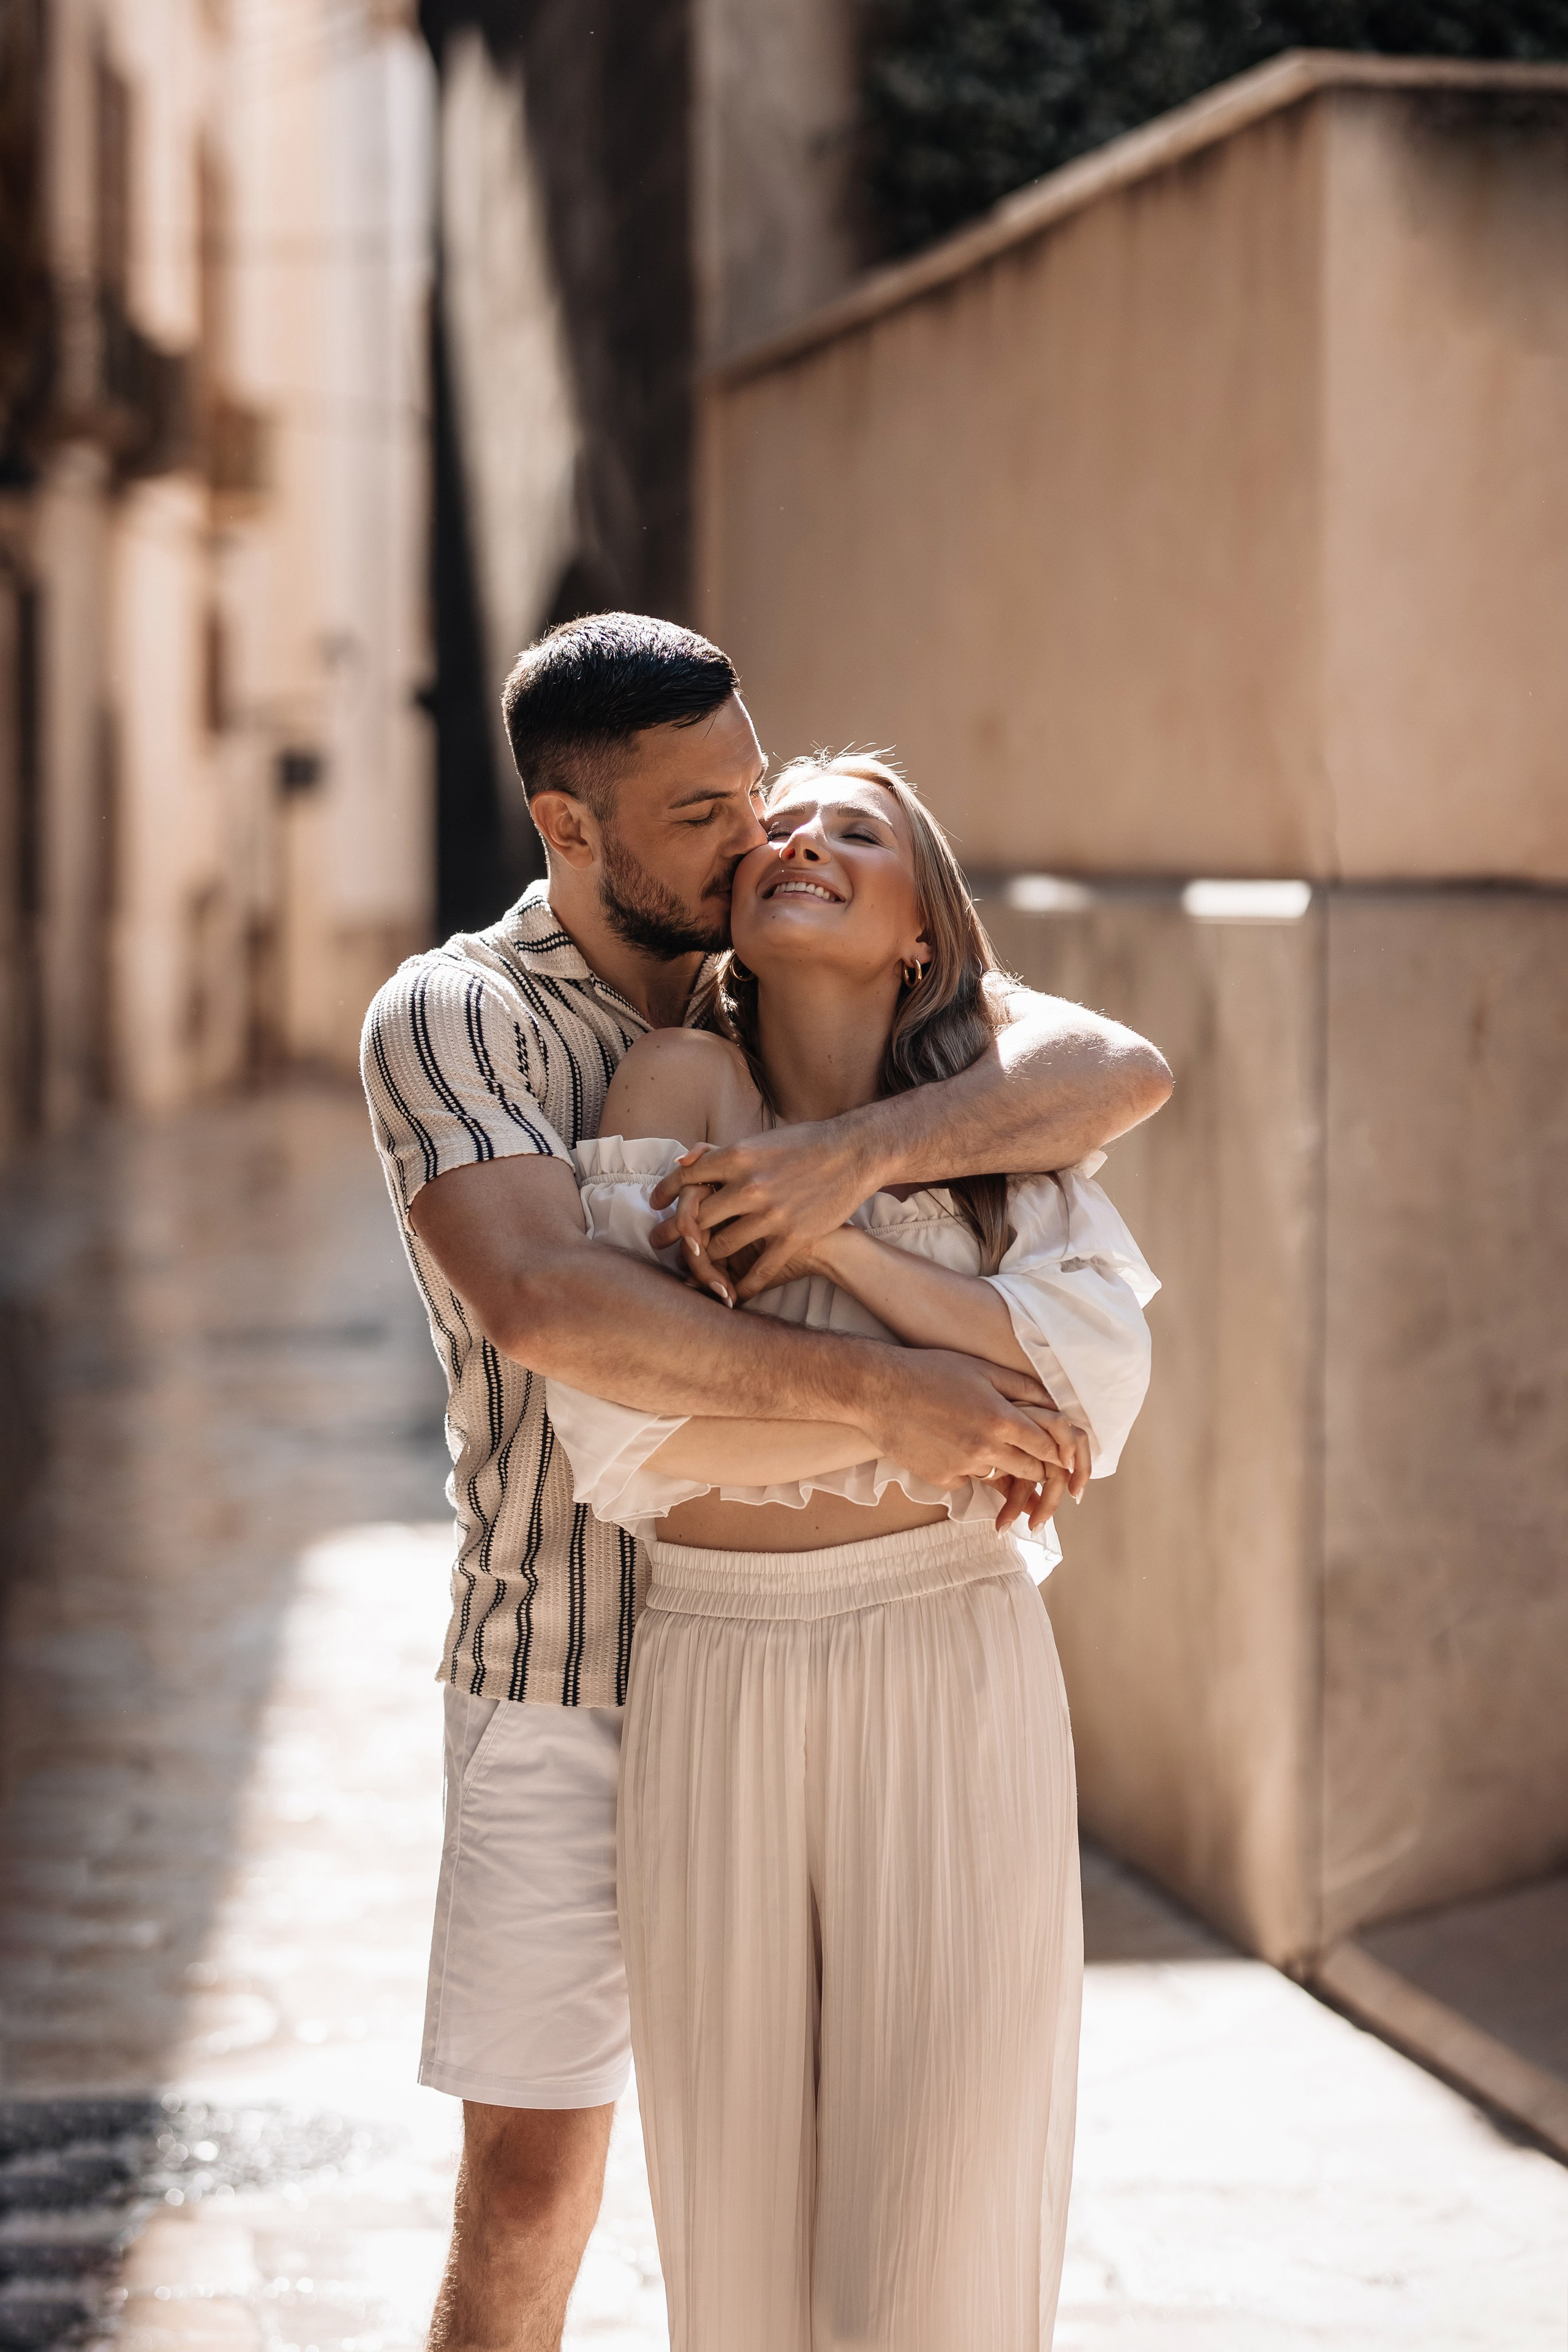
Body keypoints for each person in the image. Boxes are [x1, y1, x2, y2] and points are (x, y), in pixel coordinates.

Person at [360, 612, 1172, 2352]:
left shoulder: (854, 1014)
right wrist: (903, 1404)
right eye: (705, 814)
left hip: (888, 1648)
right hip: (571, 1659)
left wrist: (840, 1165)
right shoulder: (459, 1013)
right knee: (537, 2191)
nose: (757, 836)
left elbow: (1117, 1072)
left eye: (761, 791)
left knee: (918, 2186)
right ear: (569, 829)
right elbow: (547, 1302)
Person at [542, 753, 1158, 2349]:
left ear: (921, 929)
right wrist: (915, 1415)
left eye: (857, 830)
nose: (802, 840)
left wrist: (835, 1235)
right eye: (781, 825)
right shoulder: (681, 1091)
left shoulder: (997, 1116)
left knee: (940, 2228)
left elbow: (1094, 1382)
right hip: (719, 1673)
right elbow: (622, 1435)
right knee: (746, 2244)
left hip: (955, 1661)